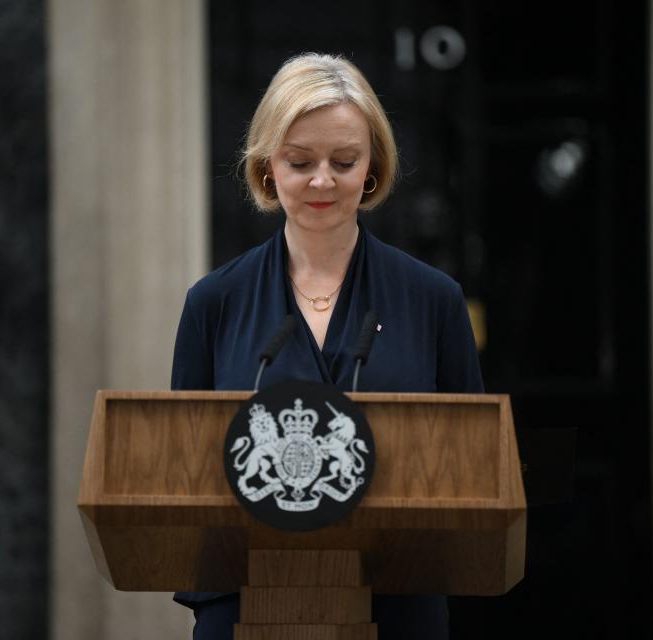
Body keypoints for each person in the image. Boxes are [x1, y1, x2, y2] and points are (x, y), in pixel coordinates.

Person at [171, 52, 483, 640]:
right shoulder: (213, 303)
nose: (322, 180)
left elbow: (471, 473)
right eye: (299, 161)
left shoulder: (434, 301)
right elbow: (186, 478)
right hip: (247, 604)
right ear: (268, 169)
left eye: (344, 161)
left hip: (396, 607)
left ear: (371, 169)